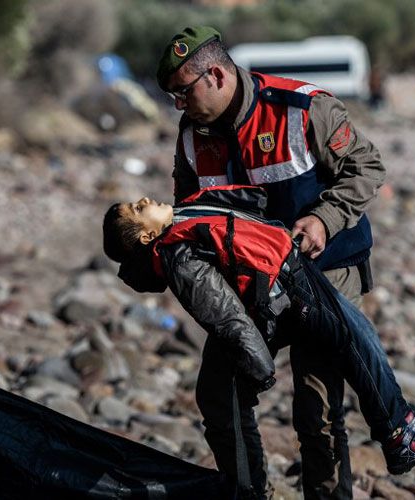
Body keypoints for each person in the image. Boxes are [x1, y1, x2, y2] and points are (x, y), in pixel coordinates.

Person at [102, 185, 415, 499]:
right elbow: (225, 316)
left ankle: (397, 430)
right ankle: (398, 434)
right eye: (137, 208)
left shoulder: (182, 219)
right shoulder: (179, 255)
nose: (144, 199)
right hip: (289, 290)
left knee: (355, 338)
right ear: (147, 237)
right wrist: (260, 365)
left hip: (291, 271)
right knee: (354, 340)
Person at [157, 26, 386, 497]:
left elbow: (367, 167)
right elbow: (190, 212)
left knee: (316, 408)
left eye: (183, 92)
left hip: (326, 273)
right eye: (173, 96)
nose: (178, 105)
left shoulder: (302, 108)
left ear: (216, 75)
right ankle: (248, 492)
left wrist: (324, 219)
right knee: (219, 395)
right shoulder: (190, 137)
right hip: (252, 284)